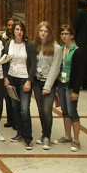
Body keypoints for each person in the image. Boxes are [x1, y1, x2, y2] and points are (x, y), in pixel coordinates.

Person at [2, 20, 37, 150]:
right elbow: (5, 61)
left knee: (24, 109)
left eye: (21, 30)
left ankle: (28, 138)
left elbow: (33, 64)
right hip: (12, 78)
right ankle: (20, 133)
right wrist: (5, 77)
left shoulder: (29, 45)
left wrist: (29, 80)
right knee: (15, 107)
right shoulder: (9, 44)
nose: (19, 32)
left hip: (24, 79)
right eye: (17, 29)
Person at [32, 21, 63, 150]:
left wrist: (48, 86)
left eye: (45, 31)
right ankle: (44, 133)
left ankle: (47, 137)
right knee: (40, 109)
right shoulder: (34, 46)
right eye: (41, 31)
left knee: (47, 110)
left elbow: (55, 68)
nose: (43, 33)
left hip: (48, 83)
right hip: (37, 82)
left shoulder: (56, 48)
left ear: (49, 33)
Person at [55, 24, 85, 152]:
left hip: (71, 85)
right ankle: (67, 136)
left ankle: (76, 140)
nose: (64, 36)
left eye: (66, 34)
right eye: (62, 34)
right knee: (65, 111)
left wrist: (76, 91)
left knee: (73, 112)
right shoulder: (61, 49)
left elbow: (80, 73)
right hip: (61, 84)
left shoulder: (77, 51)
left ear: (72, 35)